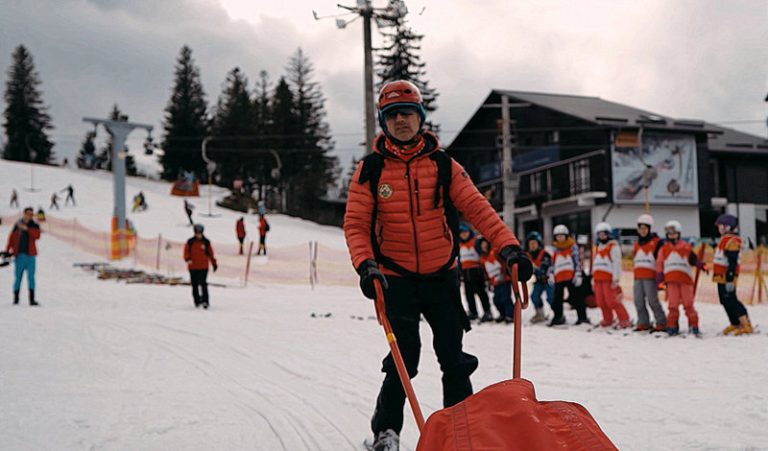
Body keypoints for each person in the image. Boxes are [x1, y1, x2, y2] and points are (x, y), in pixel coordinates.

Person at [344, 80, 532, 451]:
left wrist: (509, 247)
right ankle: (387, 433)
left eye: (408, 114)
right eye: (393, 115)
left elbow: (478, 208)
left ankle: (461, 432)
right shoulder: (370, 170)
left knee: (454, 357)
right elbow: (355, 224)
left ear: (421, 118)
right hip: (394, 277)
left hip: (441, 275)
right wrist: (366, 265)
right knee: (404, 359)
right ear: (384, 122)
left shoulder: (443, 165)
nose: (401, 122)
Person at [656, 220, 703, 335]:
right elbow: (659, 263)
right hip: (671, 280)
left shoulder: (686, 247)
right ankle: (672, 325)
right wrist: (659, 278)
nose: (672, 236)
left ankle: (693, 325)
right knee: (673, 304)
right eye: (670, 234)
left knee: (688, 304)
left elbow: (693, 259)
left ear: (679, 234)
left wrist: (701, 265)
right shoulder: (664, 249)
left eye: (674, 233)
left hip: (685, 279)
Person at [713, 214, 753, 335]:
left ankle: (745, 323)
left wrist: (730, 277)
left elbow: (732, 260)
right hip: (720, 276)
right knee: (724, 300)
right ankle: (735, 322)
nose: (718, 228)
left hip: (727, 276)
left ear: (727, 227)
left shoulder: (732, 240)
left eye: (720, 226)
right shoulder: (724, 239)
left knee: (731, 299)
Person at [592, 222, 631, 328]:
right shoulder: (597, 247)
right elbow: (595, 262)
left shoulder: (613, 246)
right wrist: (593, 277)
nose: (601, 236)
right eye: (599, 234)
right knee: (600, 301)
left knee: (611, 301)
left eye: (603, 234)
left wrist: (616, 278)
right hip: (598, 278)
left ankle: (624, 319)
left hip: (608, 278)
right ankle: (607, 318)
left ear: (608, 234)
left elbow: (617, 262)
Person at [550, 224, 589, 326]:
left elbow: (577, 260)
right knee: (557, 299)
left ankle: (582, 317)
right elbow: (552, 262)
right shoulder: (555, 248)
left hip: (571, 276)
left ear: (566, 236)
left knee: (577, 297)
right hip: (559, 277)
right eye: (558, 236)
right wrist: (551, 274)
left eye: (562, 236)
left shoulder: (573, 246)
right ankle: (558, 317)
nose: (560, 238)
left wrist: (578, 273)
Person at [632, 214, 666, 332]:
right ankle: (643, 322)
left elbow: (661, 259)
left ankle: (661, 322)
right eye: (640, 229)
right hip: (638, 277)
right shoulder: (636, 244)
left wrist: (661, 275)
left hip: (650, 277)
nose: (642, 231)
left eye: (645, 229)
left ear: (649, 229)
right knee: (638, 301)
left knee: (652, 301)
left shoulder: (656, 242)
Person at [5, 207, 41, 306]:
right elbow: (11, 239)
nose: (29, 216)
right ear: (24, 214)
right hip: (19, 256)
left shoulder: (34, 225)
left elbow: (37, 236)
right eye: (28, 213)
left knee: (31, 278)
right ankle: (16, 298)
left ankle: (32, 299)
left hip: (31, 256)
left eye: (31, 214)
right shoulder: (17, 225)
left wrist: (27, 229)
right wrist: (7, 251)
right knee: (18, 278)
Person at [458, 223, 493, 322]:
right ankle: (473, 312)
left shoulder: (475, 242)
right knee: (469, 294)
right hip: (465, 272)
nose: (464, 235)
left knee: (481, 292)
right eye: (462, 233)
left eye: (466, 233)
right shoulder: (460, 245)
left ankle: (487, 311)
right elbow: (459, 260)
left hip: (477, 271)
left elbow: (483, 248)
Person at [476, 237, 514, 323]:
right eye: (482, 245)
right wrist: (488, 281)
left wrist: (506, 273)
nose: (484, 247)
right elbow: (485, 272)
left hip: (504, 279)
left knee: (506, 298)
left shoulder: (495, 252)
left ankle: (510, 315)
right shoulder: (482, 259)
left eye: (485, 244)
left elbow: (504, 261)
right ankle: (502, 314)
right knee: (496, 299)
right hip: (494, 282)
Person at [183, 224, 217, 309]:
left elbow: (211, 254)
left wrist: (214, 263)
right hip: (193, 267)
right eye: (197, 233)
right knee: (194, 285)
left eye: (200, 233)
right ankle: (197, 300)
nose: (198, 235)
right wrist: (188, 259)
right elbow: (186, 252)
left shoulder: (206, 242)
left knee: (203, 284)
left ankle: (205, 301)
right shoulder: (190, 242)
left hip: (203, 267)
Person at [526, 231, 554, 324]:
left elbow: (544, 268)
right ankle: (540, 314)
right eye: (530, 244)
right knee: (534, 296)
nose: (532, 245)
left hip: (548, 279)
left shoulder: (545, 254)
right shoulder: (528, 256)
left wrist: (535, 268)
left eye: (534, 243)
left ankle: (558, 313)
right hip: (538, 281)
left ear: (539, 243)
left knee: (551, 297)